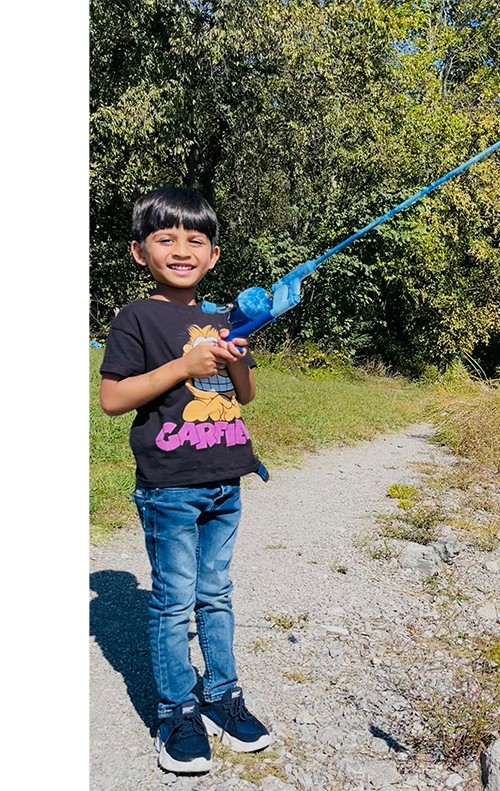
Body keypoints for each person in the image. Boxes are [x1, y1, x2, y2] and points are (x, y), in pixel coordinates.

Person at [99, 186, 271, 774]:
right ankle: (177, 711)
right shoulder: (136, 317)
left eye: (195, 239)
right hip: (170, 485)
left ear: (213, 255)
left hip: (227, 479)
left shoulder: (222, 317)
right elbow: (113, 398)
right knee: (174, 603)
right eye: (165, 238)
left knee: (215, 594)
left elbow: (243, 397)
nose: (181, 248)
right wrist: (182, 366)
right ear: (138, 251)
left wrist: (237, 356)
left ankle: (223, 694)